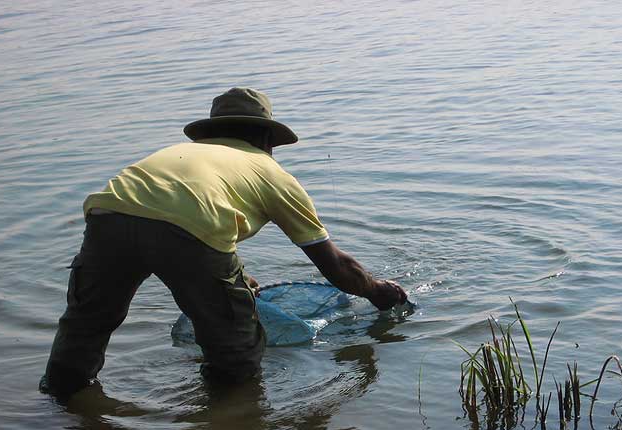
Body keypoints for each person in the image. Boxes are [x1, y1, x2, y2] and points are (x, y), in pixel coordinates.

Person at [40, 87, 407, 397]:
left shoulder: (173, 154)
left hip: (108, 216)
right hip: (188, 233)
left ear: (210, 133)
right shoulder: (271, 173)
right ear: (267, 139)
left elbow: (180, 212)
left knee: (86, 324)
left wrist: (240, 279)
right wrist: (376, 290)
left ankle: (60, 406)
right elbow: (334, 265)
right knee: (235, 348)